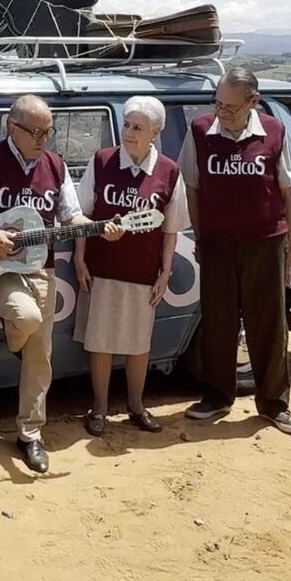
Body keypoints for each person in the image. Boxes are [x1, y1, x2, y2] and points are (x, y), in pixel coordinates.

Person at [0, 94, 120, 473]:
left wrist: (104, 229)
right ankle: (18, 331)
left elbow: (71, 217)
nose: (43, 139)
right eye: (35, 131)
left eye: (47, 132)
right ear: (11, 127)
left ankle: (31, 434)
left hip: (40, 266)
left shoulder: (55, 165)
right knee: (28, 317)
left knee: (41, 356)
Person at [177, 67, 291, 436]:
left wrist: (288, 251)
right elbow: (194, 188)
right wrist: (201, 237)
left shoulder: (274, 132)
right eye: (218, 104)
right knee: (218, 323)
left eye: (231, 108)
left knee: (269, 324)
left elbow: (287, 194)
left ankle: (274, 404)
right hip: (217, 242)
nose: (222, 113)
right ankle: (217, 397)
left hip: (265, 241)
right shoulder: (201, 130)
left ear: (253, 101)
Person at [74, 96, 188, 436]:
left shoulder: (169, 171)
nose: (129, 132)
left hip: (143, 271)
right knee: (101, 342)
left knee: (139, 344)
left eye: (138, 127)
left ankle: (137, 406)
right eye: (126, 125)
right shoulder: (103, 160)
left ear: (155, 131)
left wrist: (164, 273)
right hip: (102, 268)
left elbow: (170, 229)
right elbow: (82, 212)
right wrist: (80, 257)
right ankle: (99, 408)